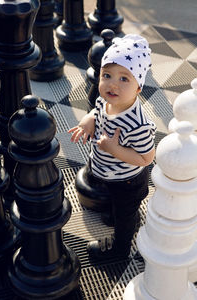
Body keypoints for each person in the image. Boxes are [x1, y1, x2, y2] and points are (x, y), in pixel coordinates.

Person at [68, 34, 156, 259]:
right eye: (107, 75)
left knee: (124, 216)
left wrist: (114, 149)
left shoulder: (138, 123)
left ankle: (120, 248)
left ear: (139, 87)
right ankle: (121, 212)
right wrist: (89, 120)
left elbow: (146, 158)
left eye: (124, 79)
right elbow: (97, 110)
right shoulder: (107, 100)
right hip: (111, 173)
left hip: (127, 180)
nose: (112, 84)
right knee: (116, 204)